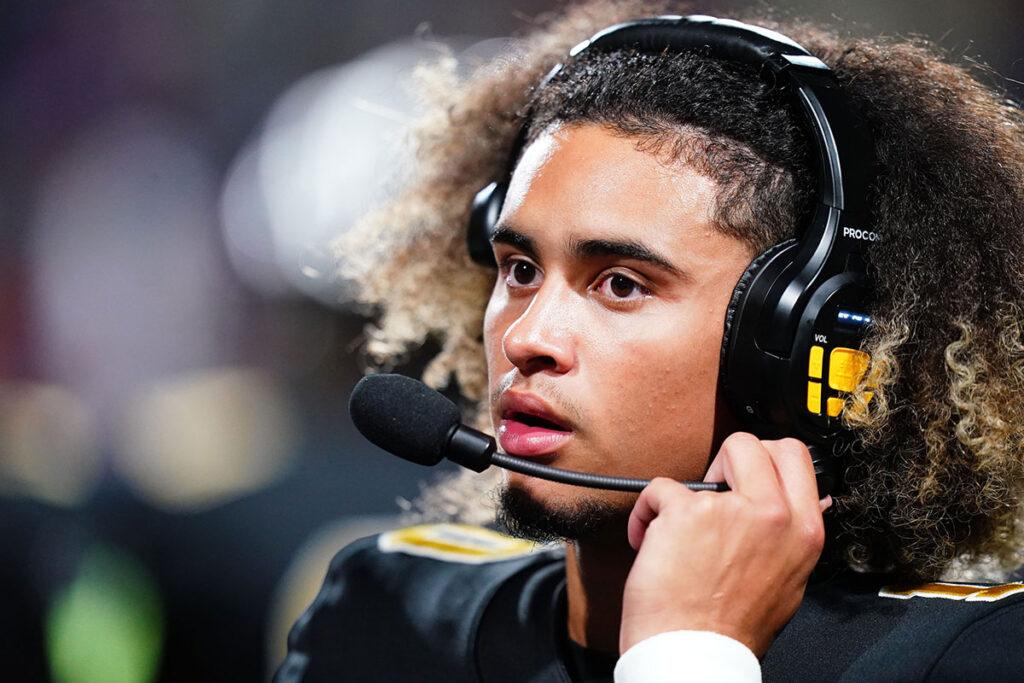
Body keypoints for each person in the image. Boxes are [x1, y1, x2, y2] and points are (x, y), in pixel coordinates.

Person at [275, 1, 1024, 680]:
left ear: (797, 334)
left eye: (622, 284)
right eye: (522, 269)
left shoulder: (975, 655)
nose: (529, 337)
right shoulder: (384, 613)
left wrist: (689, 655)